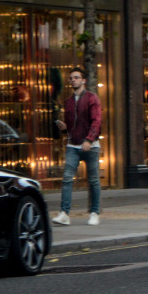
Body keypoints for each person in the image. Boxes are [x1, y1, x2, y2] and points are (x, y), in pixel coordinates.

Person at [52, 67, 102, 226]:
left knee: (93, 180)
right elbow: (72, 126)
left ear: (83, 80)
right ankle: (64, 213)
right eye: (71, 78)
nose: (73, 80)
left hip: (91, 146)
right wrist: (64, 127)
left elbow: (97, 121)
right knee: (67, 179)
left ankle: (94, 212)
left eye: (76, 77)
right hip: (73, 145)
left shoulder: (92, 98)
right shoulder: (67, 102)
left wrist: (89, 140)